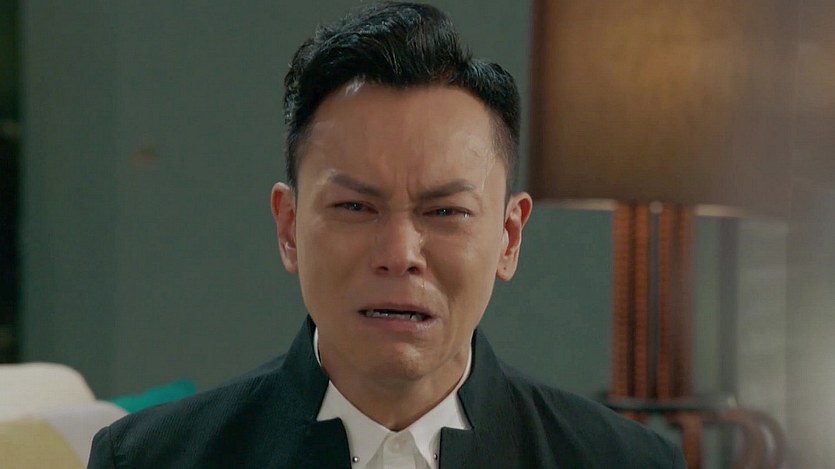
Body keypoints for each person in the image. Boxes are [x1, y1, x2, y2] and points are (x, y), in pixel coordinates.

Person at [88, 2, 686, 468]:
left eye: (445, 212)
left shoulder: (623, 461)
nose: (400, 255)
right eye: (355, 206)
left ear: (509, 237)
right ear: (289, 227)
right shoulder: (147, 459)